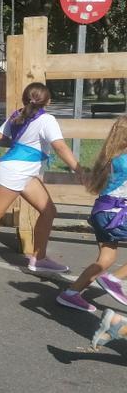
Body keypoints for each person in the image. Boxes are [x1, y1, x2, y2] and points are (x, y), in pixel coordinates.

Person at [0, 82, 82, 273]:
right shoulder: (47, 120)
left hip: (23, 171)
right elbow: (60, 146)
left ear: (24, 99)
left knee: (48, 211)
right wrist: (79, 169)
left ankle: (39, 258)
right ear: (48, 101)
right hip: (16, 171)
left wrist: (19, 144)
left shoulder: (18, 114)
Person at [56, 116, 127, 312]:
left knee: (106, 258)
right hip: (115, 213)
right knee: (107, 262)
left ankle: (70, 294)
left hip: (102, 212)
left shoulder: (110, 156)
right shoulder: (125, 160)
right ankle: (114, 280)